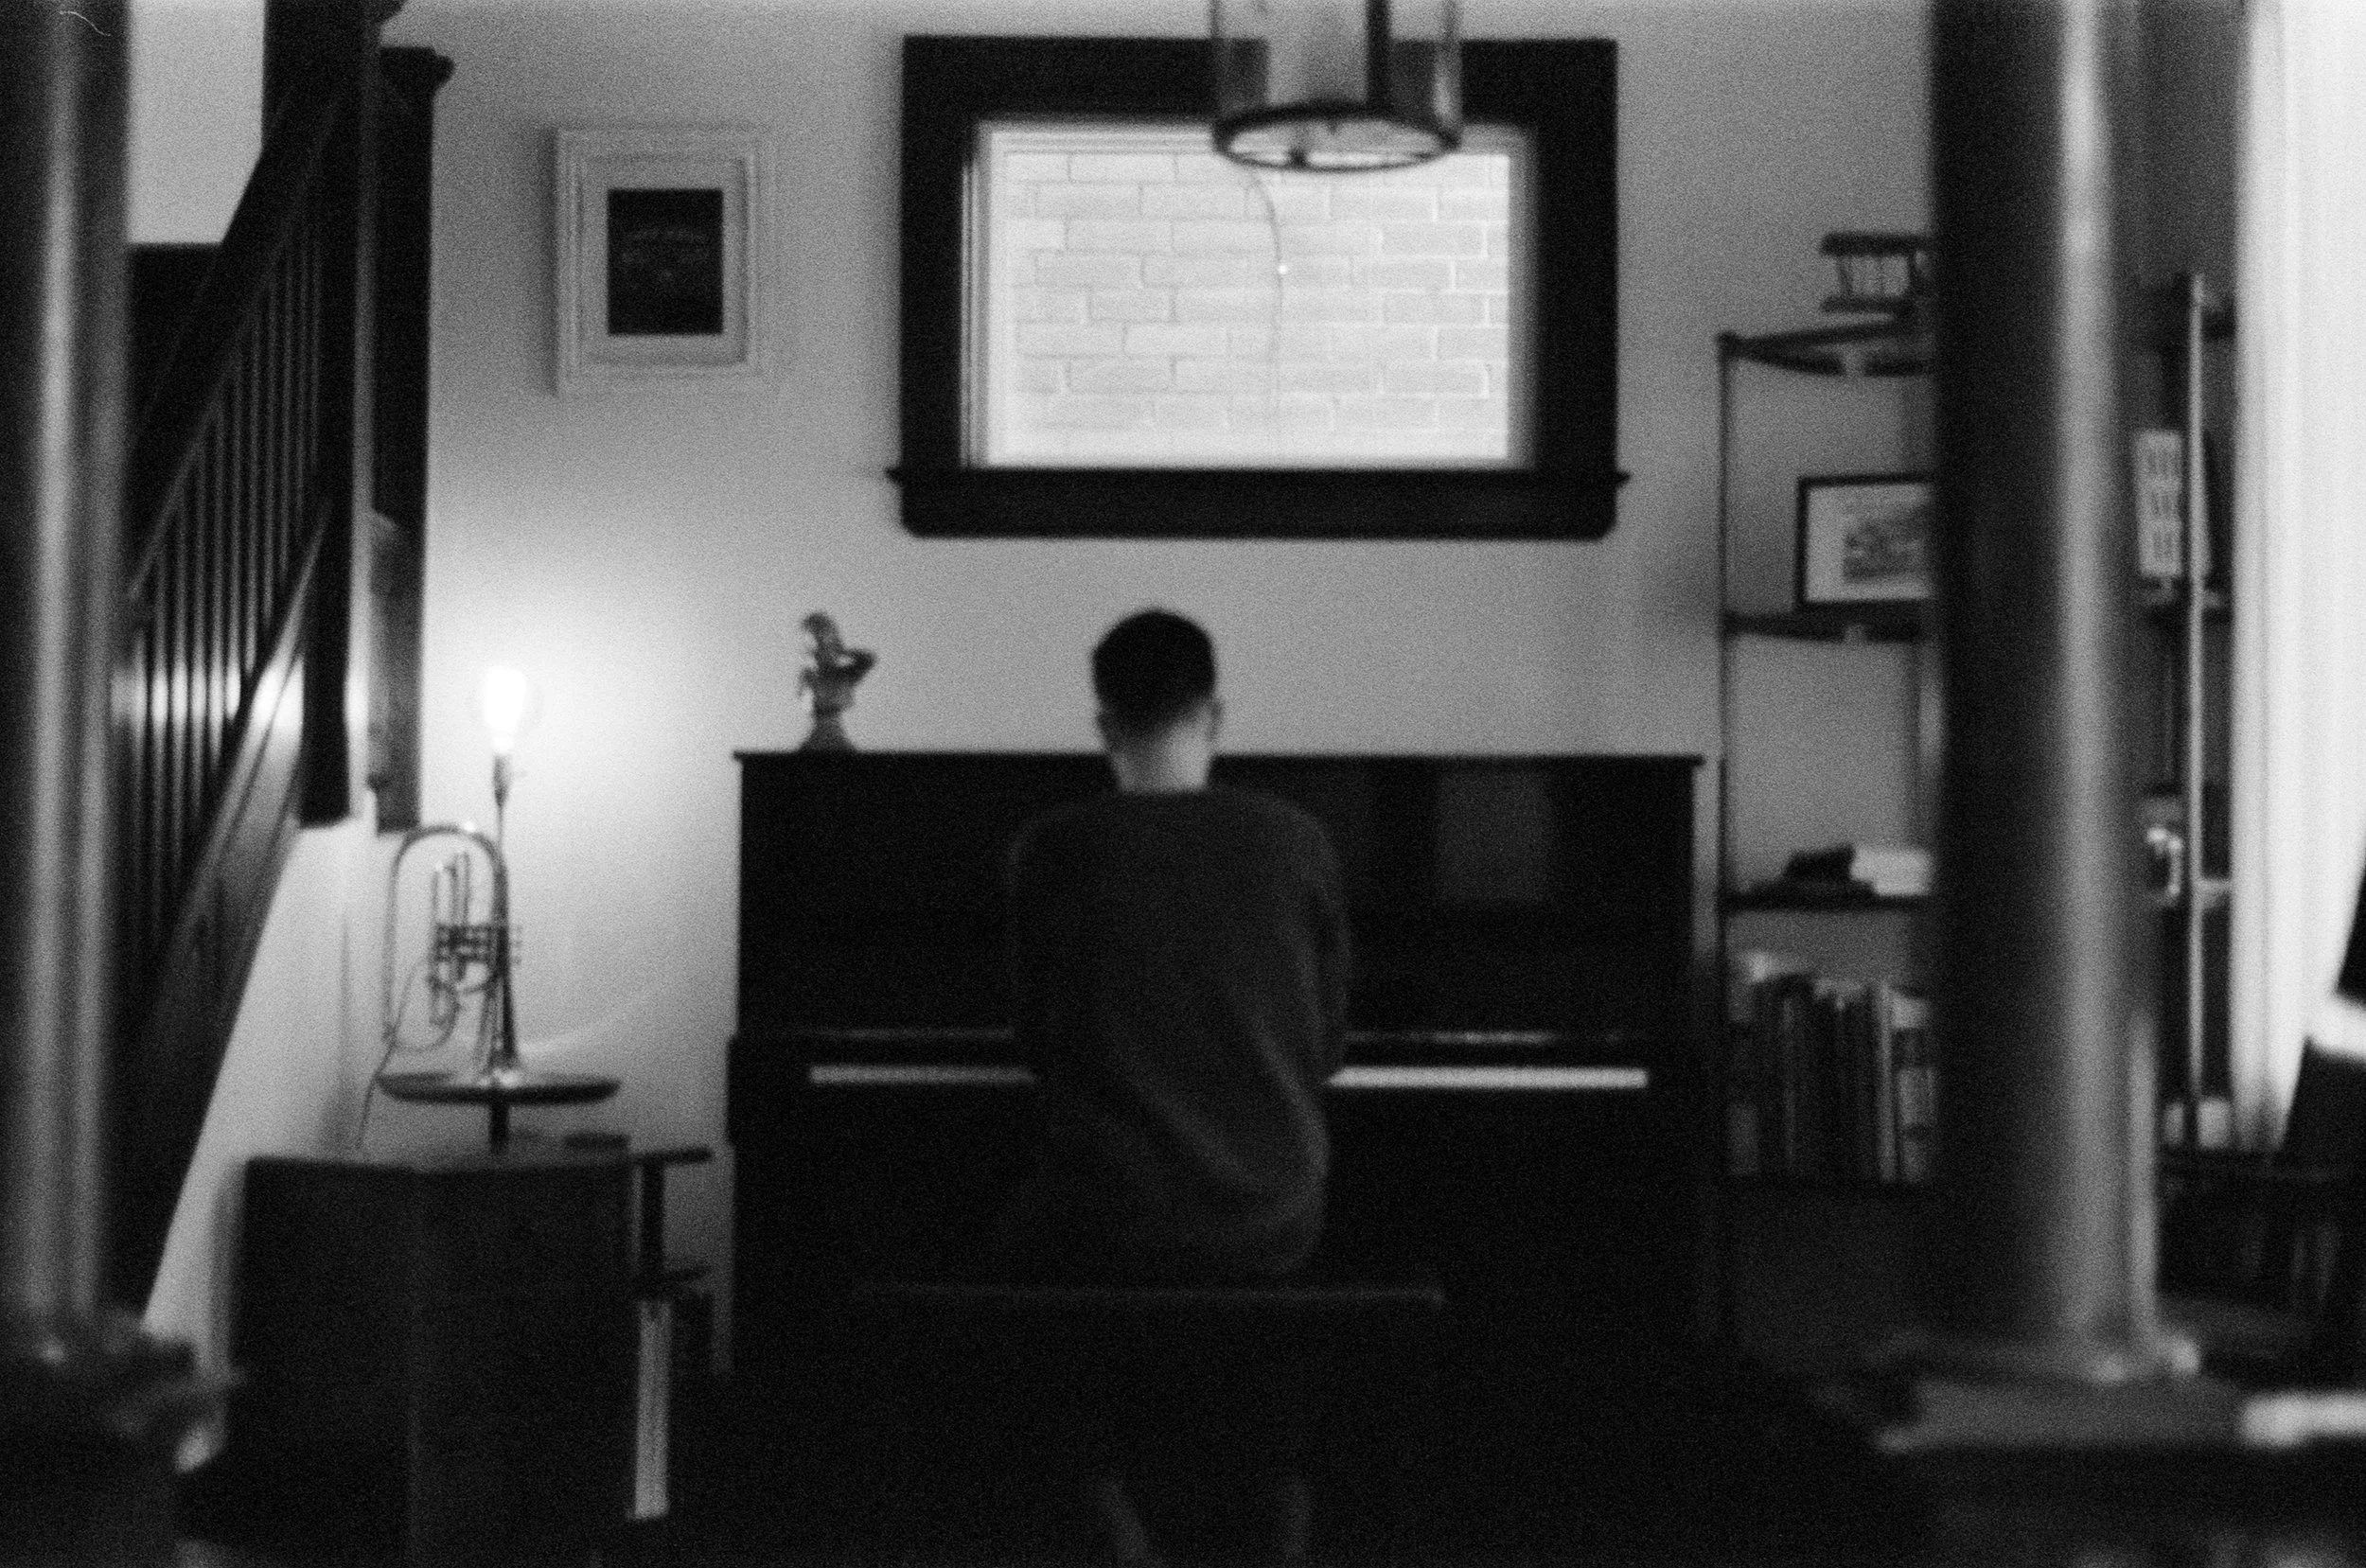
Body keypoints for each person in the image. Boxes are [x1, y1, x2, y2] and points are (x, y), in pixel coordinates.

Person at [994, 608, 1351, 1563]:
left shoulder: (1052, 846)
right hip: (1272, 1213)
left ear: (1103, 726)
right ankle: (1283, 1509)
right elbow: (1327, 1047)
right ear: (1216, 715)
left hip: (1115, 1210)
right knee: (1285, 1250)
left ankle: (1109, 1512)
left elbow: (1038, 1047)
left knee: (1012, 1230)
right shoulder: (1297, 839)